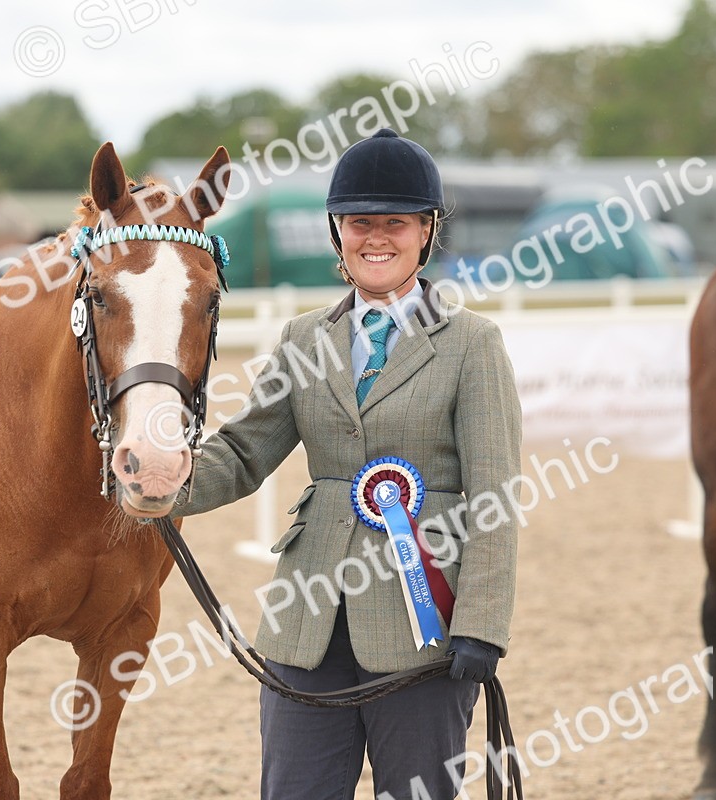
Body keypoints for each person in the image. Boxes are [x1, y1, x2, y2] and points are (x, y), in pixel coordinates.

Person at [175, 127, 521, 800]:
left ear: (426, 230)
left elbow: (495, 497)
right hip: (306, 622)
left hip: (424, 628)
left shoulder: (472, 344)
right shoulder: (304, 337)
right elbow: (245, 450)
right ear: (338, 231)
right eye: (361, 222)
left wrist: (482, 626)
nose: (376, 238)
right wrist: (163, 482)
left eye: (396, 223)